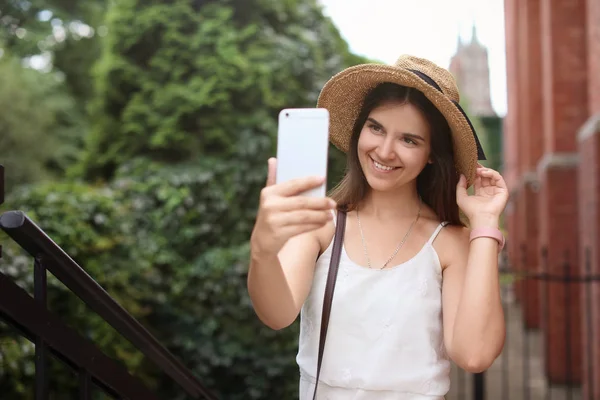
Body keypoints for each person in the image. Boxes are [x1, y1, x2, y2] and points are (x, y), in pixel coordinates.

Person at [247, 55, 507, 399]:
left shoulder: (449, 242)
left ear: (431, 153)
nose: (384, 151)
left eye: (409, 140)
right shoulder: (322, 224)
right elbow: (277, 314)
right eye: (376, 128)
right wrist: (263, 251)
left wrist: (486, 223)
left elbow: (474, 354)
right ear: (360, 130)